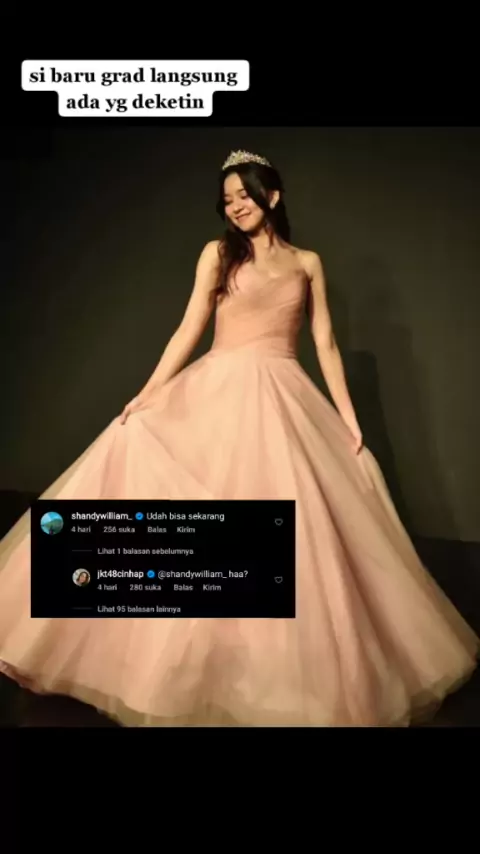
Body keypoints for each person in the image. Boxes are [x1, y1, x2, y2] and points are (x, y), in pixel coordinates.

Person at [0, 149, 478, 727]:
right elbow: (189, 327)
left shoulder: (307, 263)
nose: (235, 206)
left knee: (292, 526)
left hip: (283, 394)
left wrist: (350, 420)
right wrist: (147, 393)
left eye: (244, 195)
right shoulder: (218, 254)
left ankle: (269, 670)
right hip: (218, 387)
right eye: (227, 199)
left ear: (272, 196)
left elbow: (324, 343)